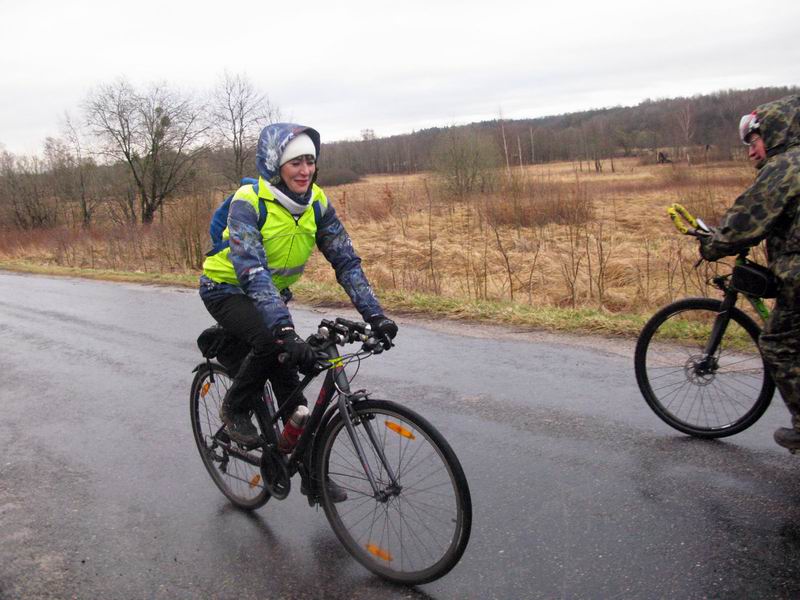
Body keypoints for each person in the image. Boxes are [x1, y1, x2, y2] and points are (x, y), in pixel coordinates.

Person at [199, 123, 398, 459]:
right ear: (276, 164)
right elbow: (253, 271)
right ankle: (234, 408)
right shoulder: (249, 203)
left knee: (295, 399)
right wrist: (285, 330)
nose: (306, 170)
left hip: (271, 296)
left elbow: (346, 262)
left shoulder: (317, 203)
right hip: (226, 289)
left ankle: (308, 474)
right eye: (296, 163)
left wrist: (374, 314)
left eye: (310, 161)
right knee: (270, 340)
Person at [698, 94, 800, 451]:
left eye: (753, 142)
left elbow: (749, 216)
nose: (751, 152)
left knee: (778, 343)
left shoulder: (787, 166)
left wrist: (715, 244)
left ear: (773, 134)